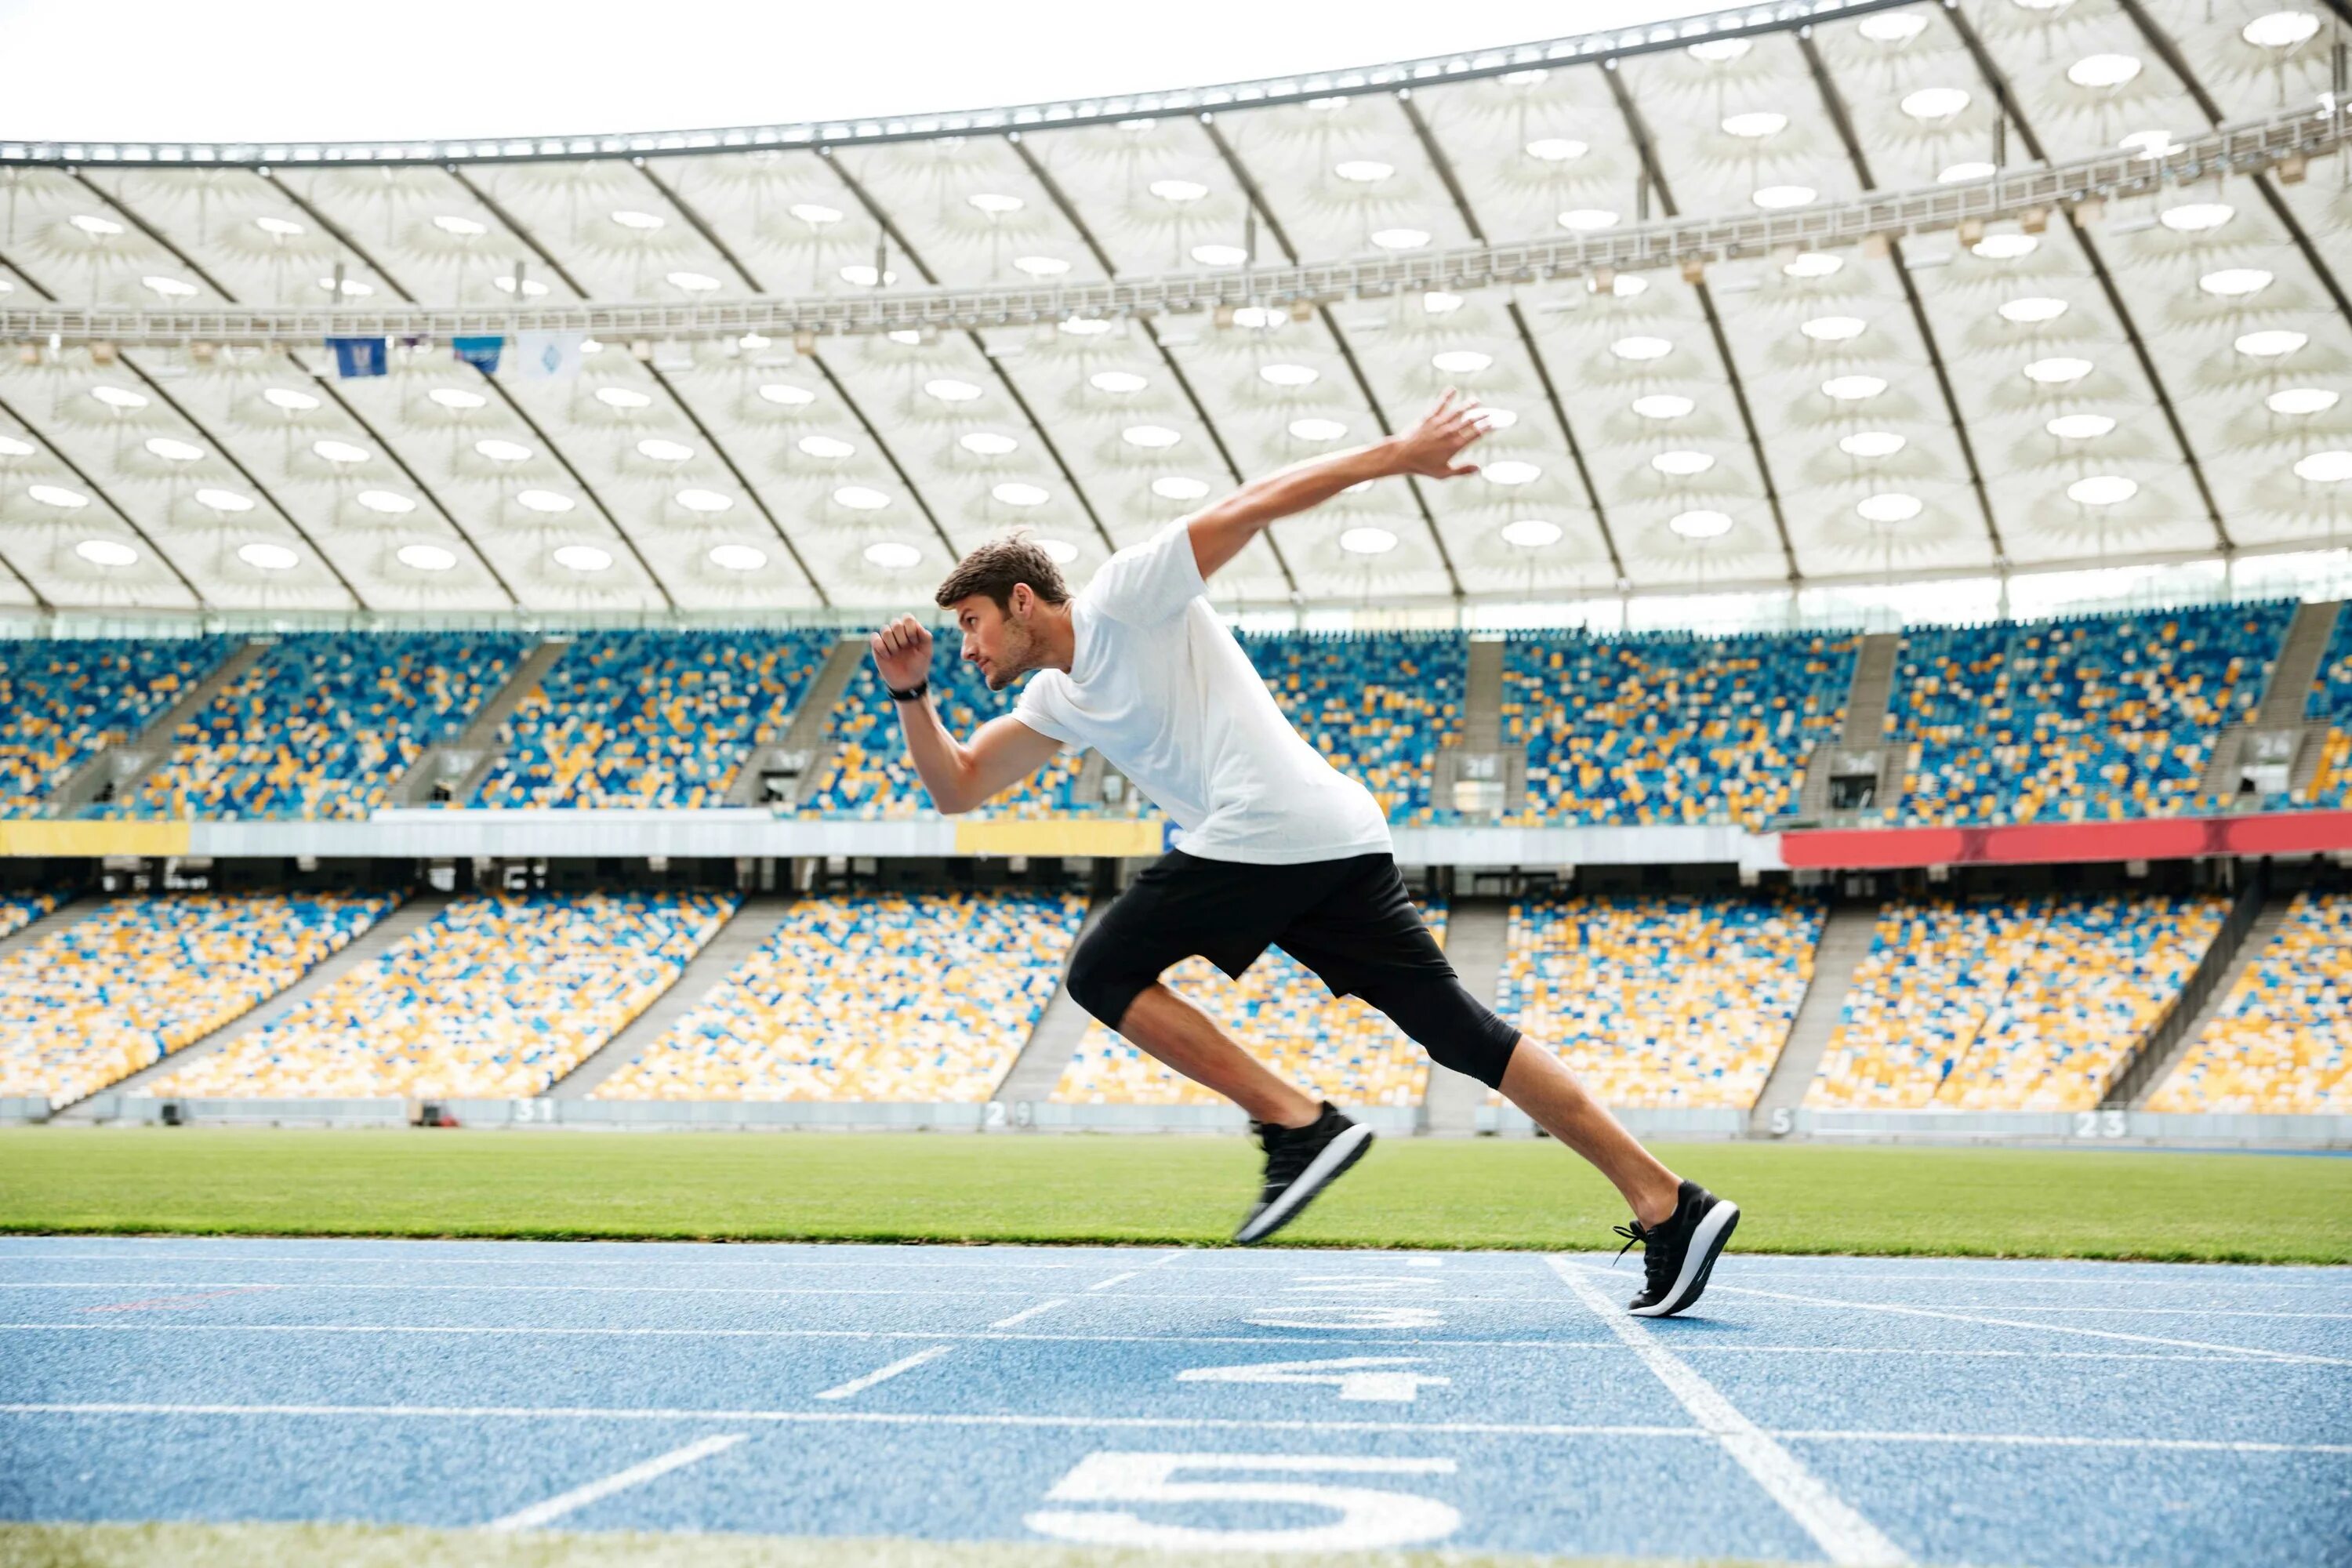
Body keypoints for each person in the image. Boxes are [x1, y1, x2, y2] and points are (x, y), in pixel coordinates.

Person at [866, 391, 1737, 1316]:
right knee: (1460, 1032)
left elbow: (1254, 505)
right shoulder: (1056, 700)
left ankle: (1298, 1124)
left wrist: (1400, 454)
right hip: (1330, 839)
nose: (965, 645)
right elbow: (958, 786)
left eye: (970, 622)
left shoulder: (1130, 594)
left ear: (1024, 600)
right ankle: (1668, 1202)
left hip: (1265, 827)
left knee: (1103, 969)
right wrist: (909, 693)